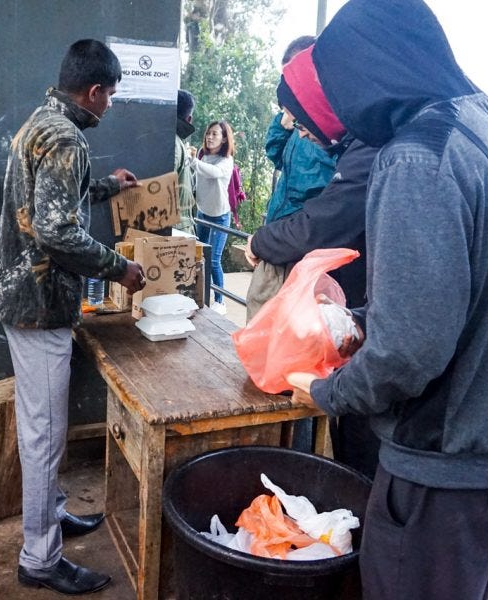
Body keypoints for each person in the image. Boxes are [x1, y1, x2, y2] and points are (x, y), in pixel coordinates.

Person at [284, 1, 488, 598]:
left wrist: (329, 392)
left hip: (443, 456)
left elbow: (409, 352)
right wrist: (356, 319)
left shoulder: (416, 156)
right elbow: (473, 285)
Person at [0, 39, 146, 596]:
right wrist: (119, 267)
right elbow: (56, 231)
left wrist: (108, 187)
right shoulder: (68, 138)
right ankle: (39, 557)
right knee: (45, 434)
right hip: (39, 305)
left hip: (22, 298)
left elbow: (50, 201)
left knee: (42, 426)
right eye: (112, 95)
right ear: (94, 91)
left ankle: (51, 517)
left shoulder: (42, 122)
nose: (111, 104)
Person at [244, 43, 380, 478]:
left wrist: (266, 240)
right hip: (337, 281)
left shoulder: (373, 147)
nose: (296, 128)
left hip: (342, 277)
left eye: (300, 119)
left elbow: (325, 219)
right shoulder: (351, 141)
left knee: (351, 419)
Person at [245, 35, 341, 322]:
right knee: (260, 311)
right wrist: (283, 120)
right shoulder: (298, 129)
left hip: (304, 242)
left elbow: (331, 198)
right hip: (278, 231)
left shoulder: (328, 133)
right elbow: (274, 154)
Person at [191, 120, 236, 314]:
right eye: (208, 133)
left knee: (214, 260)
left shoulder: (226, 161)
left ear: (224, 138)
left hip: (219, 217)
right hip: (202, 213)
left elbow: (213, 173)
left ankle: (220, 301)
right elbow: (196, 175)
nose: (209, 137)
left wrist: (193, 161)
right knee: (200, 257)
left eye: (215, 134)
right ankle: (202, 295)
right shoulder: (202, 156)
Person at [174, 89, 197, 235]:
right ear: (189, 119)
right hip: (176, 231)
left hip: (177, 228)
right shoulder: (174, 143)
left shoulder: (174, 140)